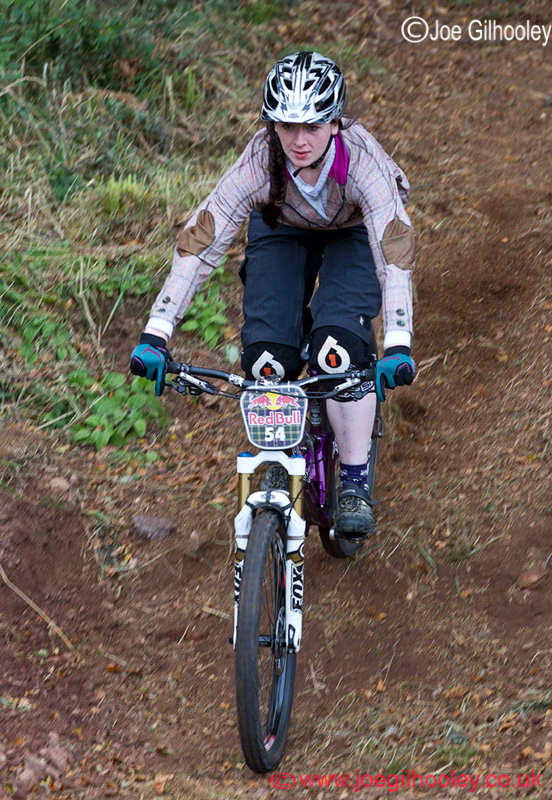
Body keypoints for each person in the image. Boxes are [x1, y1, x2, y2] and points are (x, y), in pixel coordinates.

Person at [130, 51, 415, 540]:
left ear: (335, 121)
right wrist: (157, 331)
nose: (299, 141)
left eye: (313, 127)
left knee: (339, 351)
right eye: (286, 127)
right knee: (267, 360)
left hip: (353, 234)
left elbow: (393, 250)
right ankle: (284, 454)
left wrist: (398, 341)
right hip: (280, 229)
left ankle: (352, 480)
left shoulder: (362, 161)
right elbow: (203, 238)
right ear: (271, 126)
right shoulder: (261, 160)